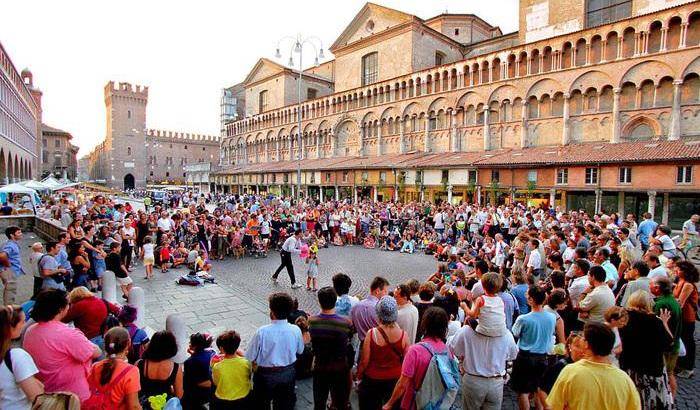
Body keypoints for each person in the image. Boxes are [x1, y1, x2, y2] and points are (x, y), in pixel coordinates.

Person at [23, 289, 101, 401]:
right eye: (68, 304)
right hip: (72, 395)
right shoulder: (68, 334)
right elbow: (95, 352)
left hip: (46, 392)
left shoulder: (30, 331)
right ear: (60, 309)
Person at [546, 322, 641, 410]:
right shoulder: (624, 379)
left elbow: (553, 406)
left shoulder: (571, 372)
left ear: (586, 344)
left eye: (583, 338)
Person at [383, 306, 455, 410]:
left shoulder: (415, 351)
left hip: (414, 403)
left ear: (425, 324)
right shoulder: (447, 351)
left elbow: (402, 383)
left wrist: (389, 404)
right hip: (437, 404)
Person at [448, 307, 519, 410]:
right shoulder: (506, 334)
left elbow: (454, 348)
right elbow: (513, 354)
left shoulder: (467, 331)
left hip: (473, 381)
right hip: (496, 382)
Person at [246, 292, 304, 410]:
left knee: (262, 402)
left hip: (265, 374)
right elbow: (300, 350)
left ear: (271, 311)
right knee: (285, 403)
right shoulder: (295, 330)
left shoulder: (261, 332)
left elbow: (249, 356)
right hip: (288, 372)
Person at [619, 290, 674, 409]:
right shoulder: (655, 322)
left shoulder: (623, 320)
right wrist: (664, 323)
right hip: (651, 369)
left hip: (629, 366)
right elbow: (669, 344)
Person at [356, 296, 408, 410]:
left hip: (373, 379)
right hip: (394, 379)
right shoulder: (404, 335)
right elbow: (406, 361)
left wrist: (359, 376)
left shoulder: (372, 333)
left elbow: (364, 361)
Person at [511, 285, 556, 410]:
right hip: (542, 356)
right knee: (538, 389)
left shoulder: (524, 319)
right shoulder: (552, 317)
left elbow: (515, 333)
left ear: (531, 300)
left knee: (523, 391)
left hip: (525, 357)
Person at [308, 287, 353, 410]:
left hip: (320, 365)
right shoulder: (345, 323)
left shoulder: (312, 321)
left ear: (319, 301)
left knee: (319, 400)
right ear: (335, 301)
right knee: (340, 401)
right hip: (339, 367)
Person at [0, 304, 44, 409]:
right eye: (23, 321)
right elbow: (36, 397)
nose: (24, 325)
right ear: (10, 327)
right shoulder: (16, 356)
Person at [86, 327, 140, 409]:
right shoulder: (132, 372)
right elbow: (134, 406)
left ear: (106, 346)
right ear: (128, 344)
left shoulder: (96, 366)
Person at [650, 275, 681, 397]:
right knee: (670, 373)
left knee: (666, 374)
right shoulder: (672, 300)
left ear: (657, 288)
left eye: (651, 285)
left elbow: (660, 328)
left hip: (666, 347)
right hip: (674, 345)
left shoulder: (661, 304)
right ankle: (671, 398)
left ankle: (667, 399)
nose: (649, 286)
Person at [63, 286, 120, 351]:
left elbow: (65, 319)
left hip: (87, 338)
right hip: (104, 336)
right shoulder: (102, 301)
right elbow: (117, 311)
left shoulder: (79, 305)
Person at [136, 330, 184, 405]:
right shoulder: (176, 368)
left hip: (143, 404)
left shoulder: (139, 364)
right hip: (164, 405)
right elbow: (179, 394)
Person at [211, 330, 252, 409]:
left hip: (224, 399)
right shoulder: (246, 362)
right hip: (244, 397)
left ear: (221, 348)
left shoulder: (217, 366)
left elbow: (215, 382)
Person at [673, 260, 699, 379]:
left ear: (684, 271)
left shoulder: (688, 285)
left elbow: (680, 302)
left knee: (687, 341)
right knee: (682, 339)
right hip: (682, 316)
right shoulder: (680, 281)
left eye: (678, 269)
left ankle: (688, 368)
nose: (675, 271)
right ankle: (680, 364)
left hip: (687, 317)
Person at [351, 276, 389, 343]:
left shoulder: (355, 307)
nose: (387, 294)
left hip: (363, 344)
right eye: (385, 291)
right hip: (378, 345)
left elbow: (353, 328)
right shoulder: (380, 309)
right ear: (377, 291)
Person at [182, 333, 215, 409]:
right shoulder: (212, 353)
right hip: (210, 391)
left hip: (197, 395)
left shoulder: (190, 362)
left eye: (191, 343)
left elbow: (190, 380)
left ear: (194, 346)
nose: (189, 344)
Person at [1, 226, 24, 304]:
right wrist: (8, 265)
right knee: (10, 291)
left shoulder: (8, 243)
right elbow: (2, 255)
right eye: (18, 232)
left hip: (8, 271)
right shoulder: (10, 245)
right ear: (12, 235)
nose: (21, 234)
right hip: (9, 271)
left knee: (9, 289)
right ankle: (8, 311)